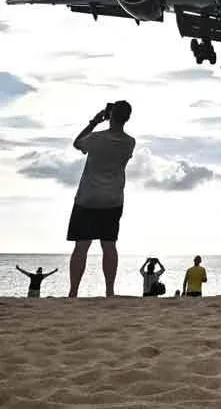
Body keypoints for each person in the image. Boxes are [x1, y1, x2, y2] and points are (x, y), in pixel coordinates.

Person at [67, 100, 136, 298]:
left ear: (110, 115)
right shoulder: (129, 142)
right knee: (109, 244)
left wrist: (94, 121)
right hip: (113, 198)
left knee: (81, 246)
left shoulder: (96, 138)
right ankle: (109, 290)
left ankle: (73, 292)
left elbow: (77, 143)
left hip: (88, 197)